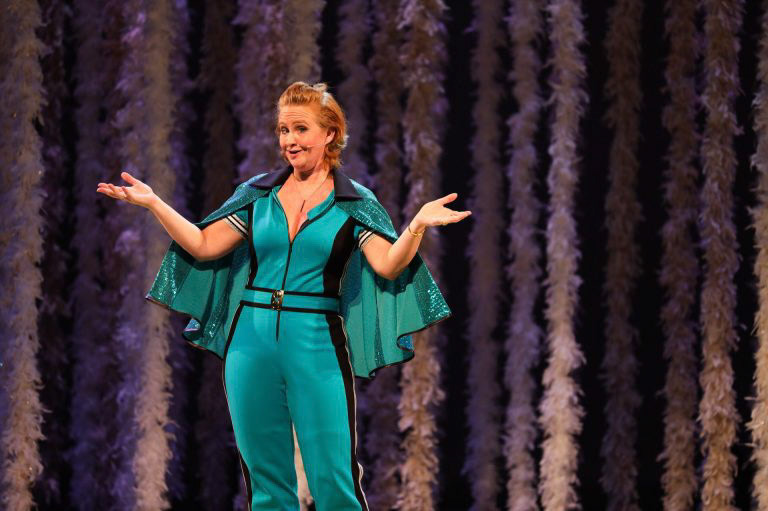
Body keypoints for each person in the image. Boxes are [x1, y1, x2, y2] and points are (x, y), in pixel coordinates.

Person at [97, 81, 471, 511]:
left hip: (316, 341)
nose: (289, 140)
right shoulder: (258, 193)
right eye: (283, 130)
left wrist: (416, 226)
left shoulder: (354, 201)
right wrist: (155, 204)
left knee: (334, 481)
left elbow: (388, 265)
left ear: (330, 133)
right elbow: (202, 244)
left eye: (300, 129)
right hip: (249, 343)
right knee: (267, 486)